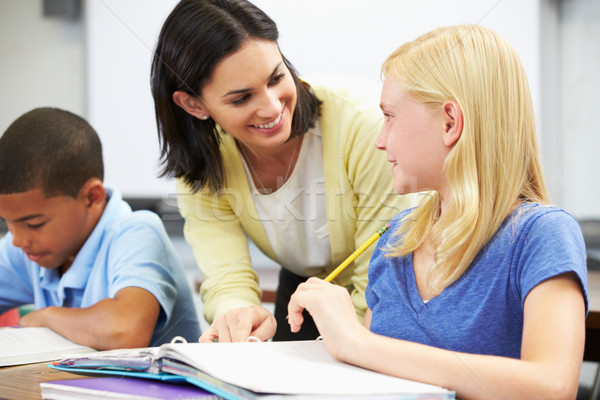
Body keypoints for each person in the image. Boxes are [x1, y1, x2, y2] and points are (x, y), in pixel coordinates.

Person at [287, 24, 588, 399]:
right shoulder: (395, 239)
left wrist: (360, 343)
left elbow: (552, 387)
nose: (379, 142)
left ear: (450, 122)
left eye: (390, 116)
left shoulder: (542, 234)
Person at [151, 0, 417, 342]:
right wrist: (237, 314)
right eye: (241, 98)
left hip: (393, 289)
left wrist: (348, 342)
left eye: (277, 77)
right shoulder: (202, 165)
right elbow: (227, 279)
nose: (272, 107)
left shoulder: (365, 127)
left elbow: (382, 284)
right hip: (308, 289)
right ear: (194, 104)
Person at [0, 107, 201, 350]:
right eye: (7, 222)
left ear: (92, 198)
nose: (17, 239)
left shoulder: (137, 232)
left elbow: (125, 331)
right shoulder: (30, 247)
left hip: (158, 388)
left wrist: (46, 316)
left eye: (34, 224)